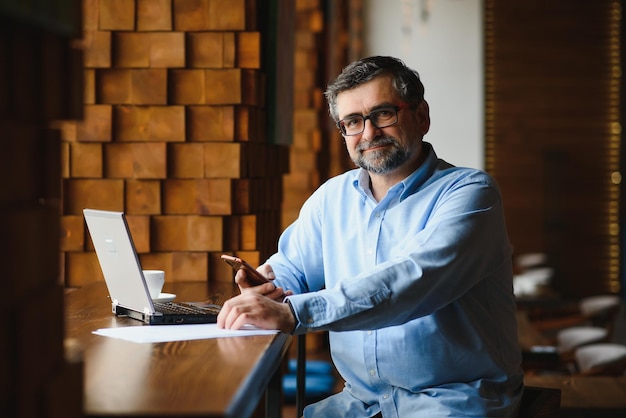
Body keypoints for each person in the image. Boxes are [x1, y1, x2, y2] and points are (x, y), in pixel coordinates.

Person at [217, 56, 524, 417]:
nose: (368, 133)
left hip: (451, 401)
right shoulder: (332, 198)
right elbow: (292, 267)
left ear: (421, 116)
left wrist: (293, 312)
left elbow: (411, 280)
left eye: (383, 115)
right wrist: (266, 284)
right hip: (360, 403)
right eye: (352, 122)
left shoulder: (470, 193)